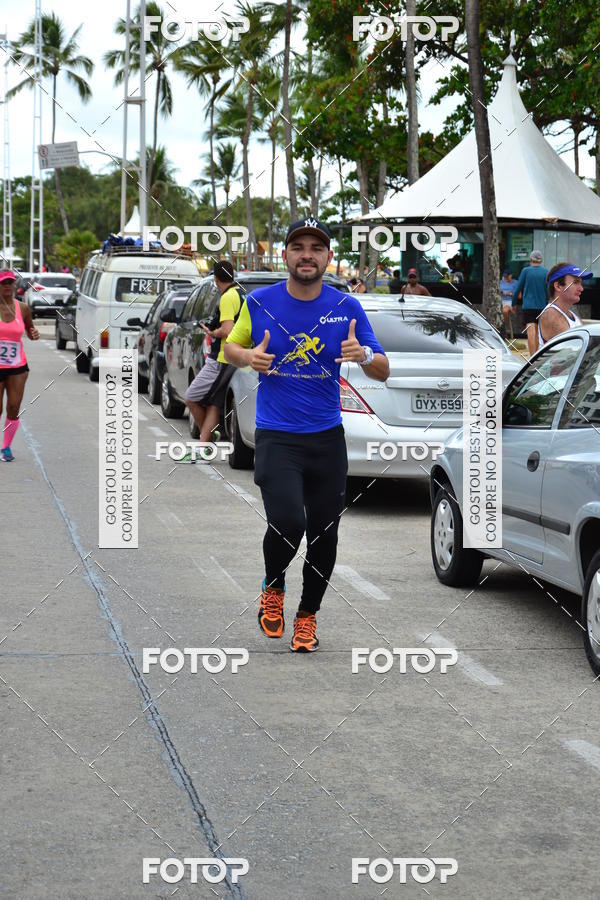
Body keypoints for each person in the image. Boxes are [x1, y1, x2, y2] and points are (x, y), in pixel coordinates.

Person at [224, 218, 389, 653]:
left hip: (327, 439)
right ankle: (273, 587)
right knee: (288, 522)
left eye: (317, 247)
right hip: (278, 436)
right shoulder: (259, 302)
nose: (307, 254)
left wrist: (364, 353)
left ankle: (307, 616)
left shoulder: (347, 306)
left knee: (324, 534)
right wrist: (248, 358)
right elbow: (231, 347)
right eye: (298, 246)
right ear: (286, 255)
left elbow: (383, 368)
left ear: (328, 257)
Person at [183, 260, 241, 460]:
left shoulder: (227, 298)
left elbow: (228, 329)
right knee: (214, 404)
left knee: (191, 397)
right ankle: (205, 444)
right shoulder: (238, 294)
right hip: (230, 358)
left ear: (216, 279)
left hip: (222, 358)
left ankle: (206, 441)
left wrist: (212, 332)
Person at [0, 270, 40, 461]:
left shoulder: (23, 308)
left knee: (14, 406)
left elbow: (30, 330)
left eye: (10, 282)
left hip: (17, 366)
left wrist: (34, 334)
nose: (7, 286)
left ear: (14, 285)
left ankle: (6, 447)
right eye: (3, 283)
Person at [538, 262, 591, 347]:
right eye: (575, 282)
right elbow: (575, 350)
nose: (581, 288)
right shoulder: (550, 314)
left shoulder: (571, 313)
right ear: (558, 286)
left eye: (581, 283)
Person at [513, 250, 548, 356]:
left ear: (530, 259)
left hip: (528, 306)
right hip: (542, 306)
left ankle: (532, 358)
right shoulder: (546, 272)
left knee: (530, 331)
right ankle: (537, 356)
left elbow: (518, 288)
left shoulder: (525, 271)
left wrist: (513, 303)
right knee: (537, 332)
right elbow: (548, 291)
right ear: (541, 260)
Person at [500, 269, 516, 334]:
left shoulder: (515, 283)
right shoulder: (500, 282)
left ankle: (502, 326)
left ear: (511, 275)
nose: (506, 278)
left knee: (505, 310)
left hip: (510, 301)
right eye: (505, 277)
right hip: (500, 300)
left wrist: (509, 294)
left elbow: (519, 295)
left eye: (507, 276)